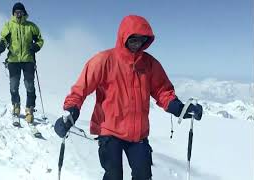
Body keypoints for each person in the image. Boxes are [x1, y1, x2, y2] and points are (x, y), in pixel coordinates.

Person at [54, 15, 203, 180]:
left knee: (143, 175)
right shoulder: (104, 60)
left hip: (138, 133)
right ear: (123, 37)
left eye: (141, 40)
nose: (137, 44)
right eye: (133, 40)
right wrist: (71, 111)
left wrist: (179, 108)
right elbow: (80, 88)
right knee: (114, 175)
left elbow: (162, 90)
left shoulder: (149, 64)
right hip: (109, 130)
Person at [0, 2, 44, 123]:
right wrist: (1, 44)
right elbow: (4, 39)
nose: (18, 14)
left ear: (24, 13)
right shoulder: (9, 25)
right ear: (13, 13)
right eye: (16, 12)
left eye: (20, 12)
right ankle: (16, 106)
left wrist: (36, 46)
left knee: (29, 85)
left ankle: (29, 109)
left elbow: (40, 39)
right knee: (14, 85)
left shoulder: (31, 26)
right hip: (13, 60)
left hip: (28, 60)